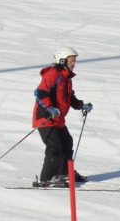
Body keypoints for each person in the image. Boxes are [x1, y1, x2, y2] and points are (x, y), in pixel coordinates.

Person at [33, 48, 91, 188]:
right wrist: (49, 108)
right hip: (45, 118)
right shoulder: (53, 75)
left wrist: (81, 105)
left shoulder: (66, 78)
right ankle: (47, 178)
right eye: (72, 61)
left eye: (74, 61)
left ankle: (64, 173)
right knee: (55, 146)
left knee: (67, 143)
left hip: (58, 120)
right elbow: (40, 92)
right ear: (63, 61)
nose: (74, 64)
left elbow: (69, 97)